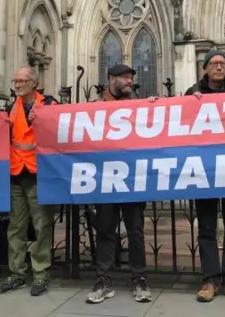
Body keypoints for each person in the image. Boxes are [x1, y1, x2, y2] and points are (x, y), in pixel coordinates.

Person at [184, 49, 225, 304]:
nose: (219, 67)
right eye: (214, 63)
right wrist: (191, 102)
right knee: (207, 227)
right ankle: (211, 279)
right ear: (205, 68)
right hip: (205, 169)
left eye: (223, 63)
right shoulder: (193, 93)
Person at [86, 64, 153, 304]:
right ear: (111, 79)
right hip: (105, 179)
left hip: (132, 178)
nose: (129, 81)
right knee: (105, 231)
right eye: (125, 77)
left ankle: (139, 278)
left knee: (135, 231)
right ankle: (103, 279)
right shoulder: (96, 107)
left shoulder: (138, 105)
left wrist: (153, 107)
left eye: (131, 78)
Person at [0, 66, 56, 297]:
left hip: (38, 174)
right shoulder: (12, 107)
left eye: (22, 81)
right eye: (15, 81)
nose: (18, 85)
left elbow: (60, 130)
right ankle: (17, 273)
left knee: (41, 227)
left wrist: (43, 120)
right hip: (15, 172)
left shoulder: (49, 105)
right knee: (16, 227)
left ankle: (40, 274)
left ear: (34, 83)